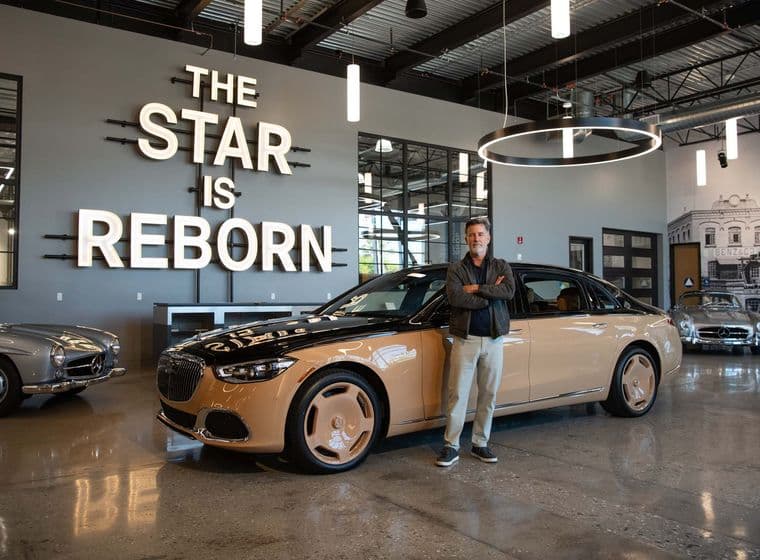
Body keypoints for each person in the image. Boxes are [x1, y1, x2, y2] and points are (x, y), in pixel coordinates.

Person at [436, 216, 515, 467]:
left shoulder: (502, 266)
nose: (476, 239)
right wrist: (489, 293)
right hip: (465, 339)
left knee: (488, 395)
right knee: (457, 394)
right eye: (471, 235)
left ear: (488, 238)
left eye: (480, 234)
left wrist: (476, 288)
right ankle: (451, 446)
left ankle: (480, 443)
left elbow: (509, 291)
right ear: (466, 239)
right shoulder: (456, 269)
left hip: (493, 340)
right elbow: (456, 297)